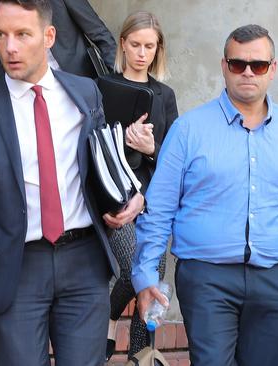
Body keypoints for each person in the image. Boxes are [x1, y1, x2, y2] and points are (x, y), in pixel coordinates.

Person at [0, 1, 144, 365]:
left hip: (85, 262)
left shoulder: (86, 93)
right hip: (16, 266)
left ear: (49, 36)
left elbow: (105, 167)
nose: (10, 47)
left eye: (22, 34)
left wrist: (132, 198)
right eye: (1, 35)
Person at [132, 24, 278, 366]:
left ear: (273, 69)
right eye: (238, 64)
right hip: (207, 280)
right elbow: (158, 209)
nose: (248, 72)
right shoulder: (189, 129)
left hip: (277, 278)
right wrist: (146, 275)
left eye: (259, 65)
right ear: (224, 66)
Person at [104, 11, 179, 361]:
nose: (141, 53)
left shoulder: (164, 95)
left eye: (149, 46)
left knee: (153, 280)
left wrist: (152, 149)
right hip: (116, 198)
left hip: (152, 201)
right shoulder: (104, 86)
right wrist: (124, 143)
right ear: (123, 43)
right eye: (135, 44)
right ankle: (104, 318)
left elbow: (176, 160)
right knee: (136, 267)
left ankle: (141, 357)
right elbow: (94, 147)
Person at [0, 0, 116, 83]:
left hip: (77, 80)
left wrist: (120, 79)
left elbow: (100, 34)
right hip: (29, 88)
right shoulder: (1, 9)